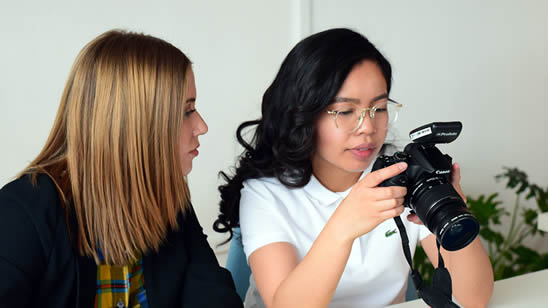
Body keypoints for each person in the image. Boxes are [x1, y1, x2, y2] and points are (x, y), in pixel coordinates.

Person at [214, 28, 493, 308]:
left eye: (380, 108)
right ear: (303, 115)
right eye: (346, 111)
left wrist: (452, 208)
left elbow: (475, 299)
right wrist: (344, 226)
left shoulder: (402, 171)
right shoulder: (265, 193)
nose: (368, 128)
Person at [0, 30, 243, 308]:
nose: (202, 126)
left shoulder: (169, 199)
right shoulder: (21, 214)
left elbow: (216, 298)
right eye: (187, 111)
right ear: (137, 124)